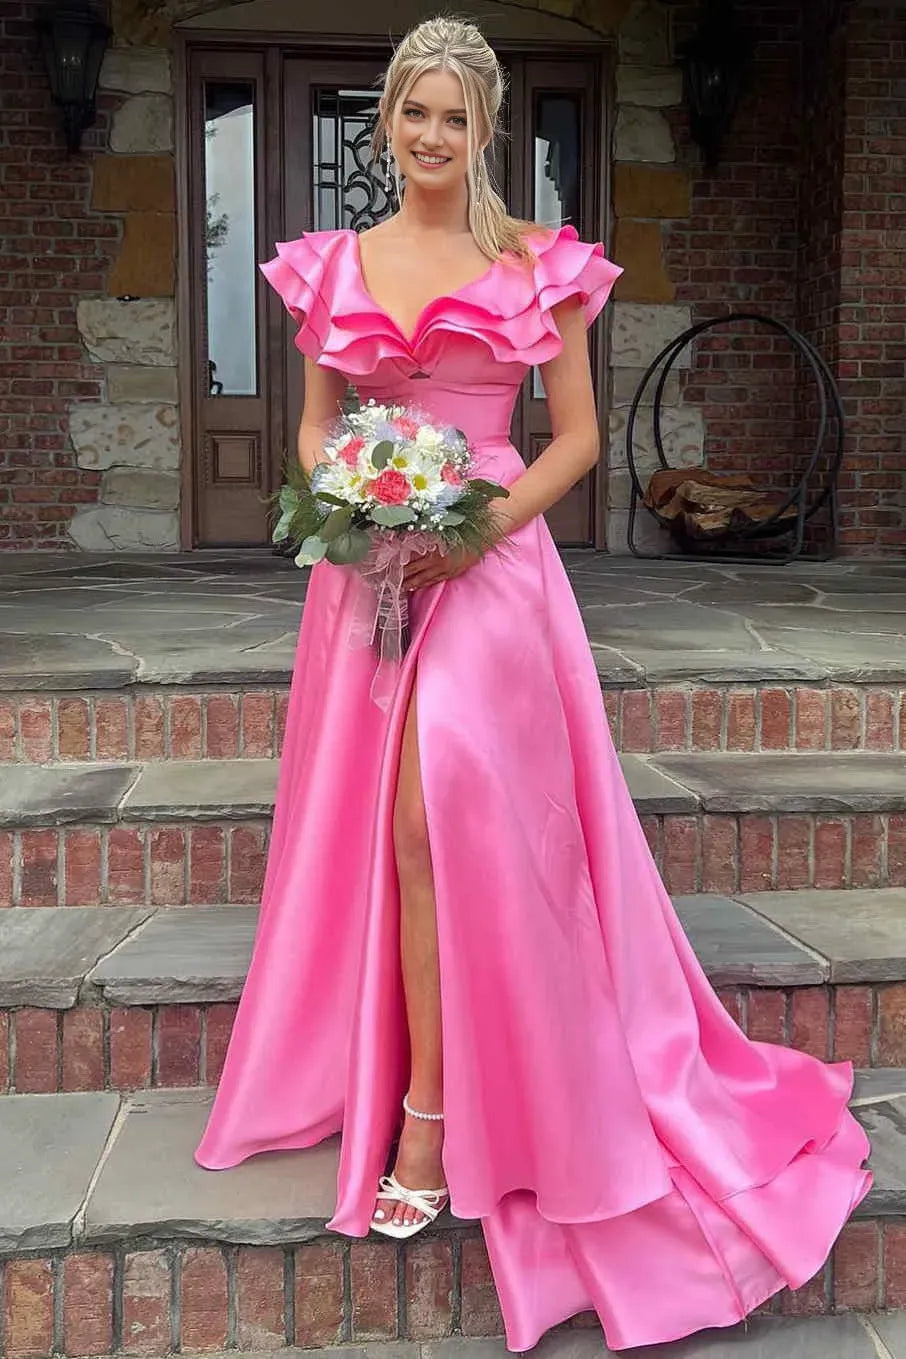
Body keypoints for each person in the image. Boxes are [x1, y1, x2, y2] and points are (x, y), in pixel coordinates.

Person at [195, 15, 872, 1352]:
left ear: (485, 129)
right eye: (413, 112)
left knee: (435, 814)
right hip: (368, 576)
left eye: (455, 116)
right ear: (384, 122)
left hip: (491, 572)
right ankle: (417, 1084)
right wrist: (356, 507)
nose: (431, 135)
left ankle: (435, 1120)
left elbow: (575, 441)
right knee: (389, 837)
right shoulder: (336, 263)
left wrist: (472, 532)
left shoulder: (535, 266)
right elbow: (320, 427)